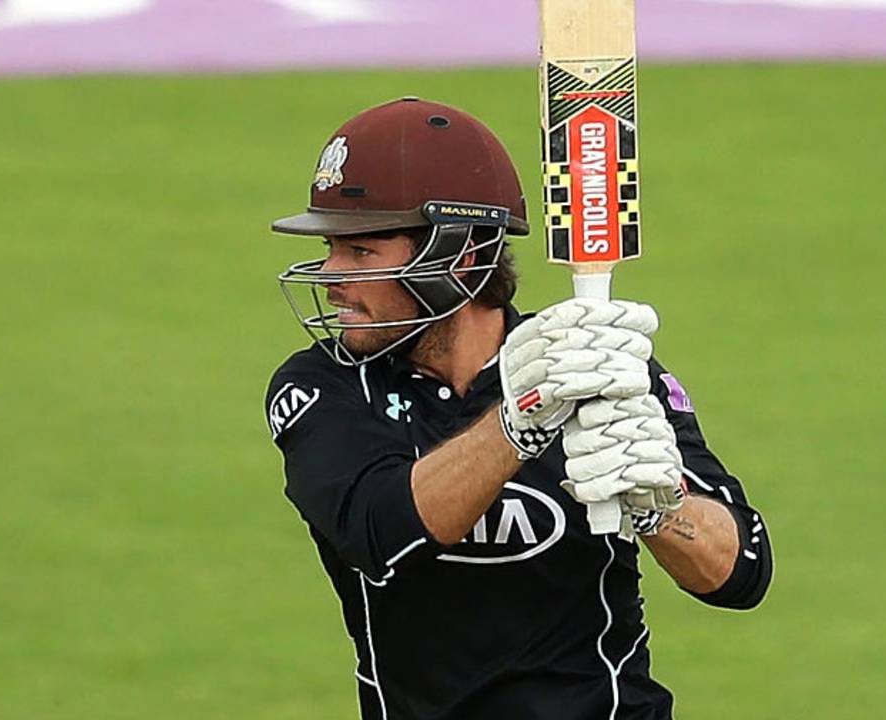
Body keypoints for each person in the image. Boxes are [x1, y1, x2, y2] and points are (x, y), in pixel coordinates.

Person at [265, 97, 773, 720]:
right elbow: (379, 533)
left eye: (361, 253)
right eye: (332, 249)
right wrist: (518, 422)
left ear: (464, 257)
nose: (331, 276)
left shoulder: (597, 368)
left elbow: (740, 572)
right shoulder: (325, 387)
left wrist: (657, 506)